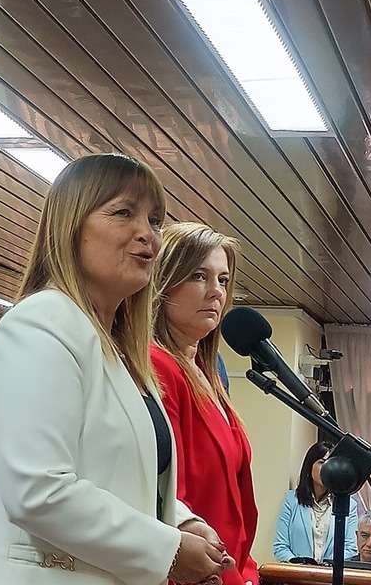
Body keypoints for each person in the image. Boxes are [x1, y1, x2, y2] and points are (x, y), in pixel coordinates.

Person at [0, 153, 232, 585]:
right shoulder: (42, 322)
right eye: (123, 213)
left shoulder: (120, 350)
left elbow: (115, 477)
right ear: (71, 227)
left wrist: (180, 522)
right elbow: (38, 490)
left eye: (155, 220)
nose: (148, 234)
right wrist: (169, 550)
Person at [150, 222, 259, 585]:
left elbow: (234, 503)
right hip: (189, 570)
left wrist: (246, 572)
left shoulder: (211, 373)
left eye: (223, 280)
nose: (216, 292)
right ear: (164, 283)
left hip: (231, 570)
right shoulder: (157, 365)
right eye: (199, 276)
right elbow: (165, 493)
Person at [273, 442, 359, 563]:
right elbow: (280, 546)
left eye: (331, 463)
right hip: (296, 571)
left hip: (330, 573)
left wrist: (326, 566)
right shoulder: (291, 500)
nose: (327, 468)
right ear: (309, 466)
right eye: (322, 462)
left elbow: (350, 549)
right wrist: (300, 564)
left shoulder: (350, 505)